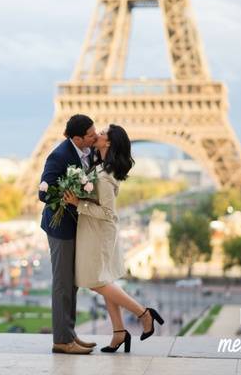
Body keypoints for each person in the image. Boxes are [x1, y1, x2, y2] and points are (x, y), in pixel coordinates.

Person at [64, 124, 164, 353]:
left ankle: (143, 313)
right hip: (94, 230)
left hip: (99, 233)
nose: (97, 134)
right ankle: (119, 332)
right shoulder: (100, 168)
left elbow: (109, 213)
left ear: (108, 143)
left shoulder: (105, 176)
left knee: (96, 281)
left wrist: (79, 204)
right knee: (105, 280)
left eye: (102, 134)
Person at [39, 114, 98, 355]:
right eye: (91, 135)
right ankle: (62, 340)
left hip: (75, 227)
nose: (95, 137)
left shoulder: (86, 152)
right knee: (63, 284)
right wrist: (70, 194)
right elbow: (44, 193)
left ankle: (69, 334)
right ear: (77, 138)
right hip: (61, 228)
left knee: (71, 284)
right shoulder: (59, 155)